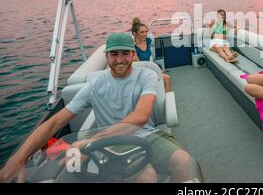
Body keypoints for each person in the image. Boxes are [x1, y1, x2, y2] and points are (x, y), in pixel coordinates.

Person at [0, 33, 191, 183]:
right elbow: (54, 123)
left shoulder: (146, 76)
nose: (120, 59)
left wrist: (87, 141)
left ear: (133, 54)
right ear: (106, 55)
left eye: (125, 53)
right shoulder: (94, 86)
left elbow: (140, 117)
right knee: (146, 178)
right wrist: (18, 159)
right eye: (114, 54)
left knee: (184, 162)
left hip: (148, 134)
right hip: (113, 143)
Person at [131, 17, 172, 92]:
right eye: (142, 32)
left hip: (148, 68)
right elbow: (139, 66)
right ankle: (167, 100)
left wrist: (156, 69)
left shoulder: (148, 41)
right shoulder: (133, 48)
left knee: (164, 76)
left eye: (146, 31)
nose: (145, 34)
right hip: (140, 72)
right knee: (166, 78)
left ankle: (166, 97)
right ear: (135, 33)